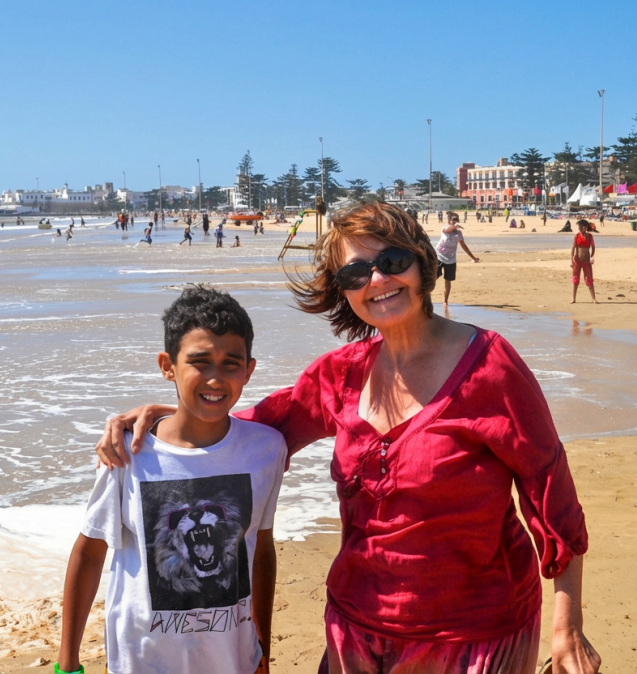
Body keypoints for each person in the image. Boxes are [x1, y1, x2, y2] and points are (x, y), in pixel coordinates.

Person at [96, 202, 600, 674]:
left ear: (421, 262)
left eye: (392, 261)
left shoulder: (490, 365)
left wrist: (567, 625)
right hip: (355, 628)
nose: (377, 280)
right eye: (356, 273)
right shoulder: (340, 375)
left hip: (473, 633)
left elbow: (550, 494)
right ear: (343, 290)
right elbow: (249, 431)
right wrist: (170, 416)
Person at [59, 286, 284, 674]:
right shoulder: (128, 451)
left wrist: (261, 648)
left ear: (249, 369)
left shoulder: (267, 449)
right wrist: (67, 663)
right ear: (168, 366)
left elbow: (260, 548)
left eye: (232, 363)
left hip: (233, 661)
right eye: (200, 362)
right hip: (143, 662)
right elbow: (90, 552)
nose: (215, 378)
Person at [435, 211, 480, 306]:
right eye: (453, 220)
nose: (455, 221)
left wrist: (473, 257)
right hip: (439, 256)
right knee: (433, 276)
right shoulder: (445, 228)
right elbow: (447, 230)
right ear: (449, 221)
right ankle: (424, 295)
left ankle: (445, 301)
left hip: (451, 259)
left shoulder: (458, 233)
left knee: (448, 279)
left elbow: (464, 246)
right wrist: (453, 226)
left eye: (456, 220)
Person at [571, 219, 598, 304]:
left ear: (584, 227)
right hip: (577, 260)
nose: (578, 228)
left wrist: (592, 257)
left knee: (589, 279)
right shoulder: (576, 236)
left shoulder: (590, 236)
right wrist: (571, 261)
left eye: (580, 226)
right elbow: (573, 249)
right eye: (578, 226)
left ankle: (593, 299)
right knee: (575, 279)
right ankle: (573, 298)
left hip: (586, 260)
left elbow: (593, 247)